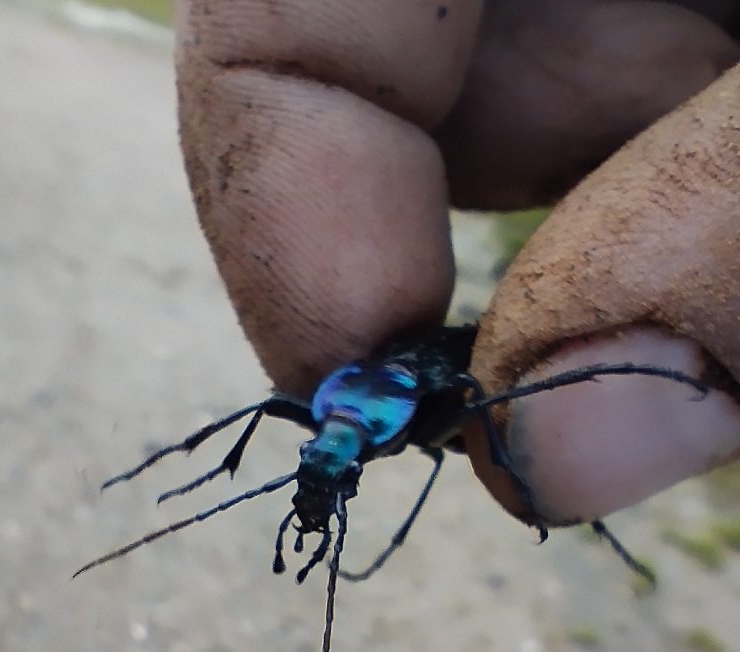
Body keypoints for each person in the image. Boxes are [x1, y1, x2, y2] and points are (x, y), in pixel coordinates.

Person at [175, 0, 740, 526]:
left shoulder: (404, 395)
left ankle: (618, 388)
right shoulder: (350, 395)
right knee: (296, 406)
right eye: (334, 462)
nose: (326, 459)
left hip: (443, 370)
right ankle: (210, 462)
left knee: (483, 399)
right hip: (400, 379)